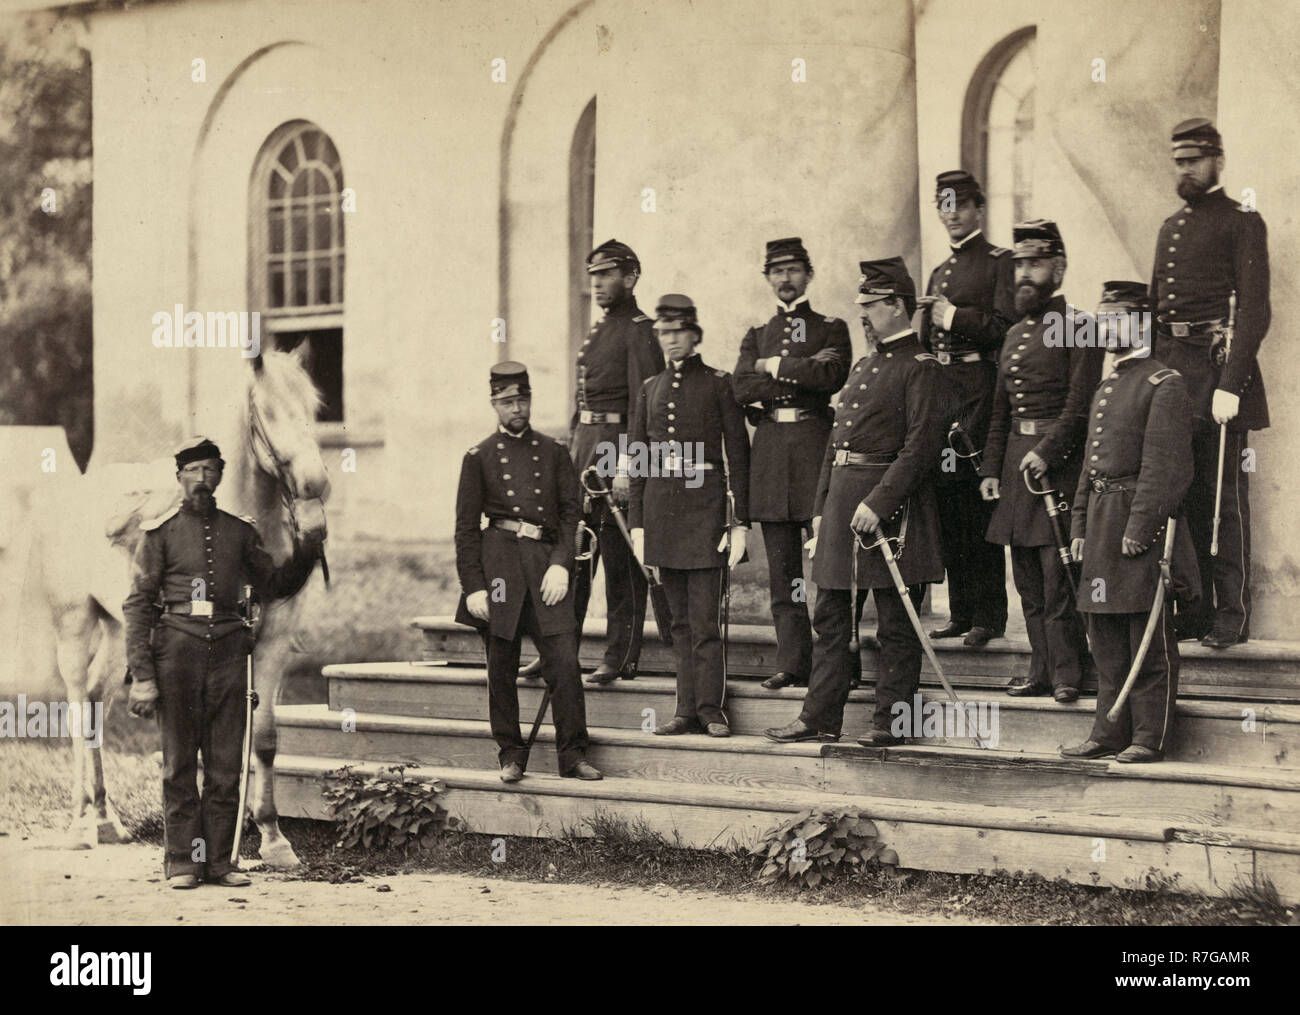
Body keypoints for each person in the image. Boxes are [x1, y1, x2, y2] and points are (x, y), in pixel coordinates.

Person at [764, 258, 946, 746]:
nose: (862, 313)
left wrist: (880, 502)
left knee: (894, 623)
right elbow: (836, 445)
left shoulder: (921, 368)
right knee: (830, 619)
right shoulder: (866, 365)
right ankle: (819, 717)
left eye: (871, 305)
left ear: (897, 306)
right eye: (861, 305)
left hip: (891, 514)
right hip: (845, 509)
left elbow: (922, 447)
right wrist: (823, 509)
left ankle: (892, 722)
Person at [124, 436, 320, 889]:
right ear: (179, 478)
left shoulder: (239, 531)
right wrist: (142, 676)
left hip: (231, 653)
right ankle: (182, 863)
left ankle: (220, 862)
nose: (202, 479)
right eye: (193, 471)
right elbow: (137, 605)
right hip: (176, 652)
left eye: (210, 470)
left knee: (226, 763)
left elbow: (273, 584)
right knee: (178, 764)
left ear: (220, 476)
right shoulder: (159, 534)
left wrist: (307, 548)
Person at [1062, 283, 1196, 763]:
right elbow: (1088, 467)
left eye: (1116, 317)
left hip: (1139, 527)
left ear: (1142, 322)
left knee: (1147, 636)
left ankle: (1148, 736)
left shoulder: (1165, 384)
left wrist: (1140, 530)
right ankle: (1107, 731)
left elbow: (1167, 471)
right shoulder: (1107, 384)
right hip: (1100, 525)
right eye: (1102, 318)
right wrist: (1079, 526)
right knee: (1105, 637)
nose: (1105, 328)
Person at [1149, 118, 1270, 649]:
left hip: (1218, 371)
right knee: (1182, 493)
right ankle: (1194, 609)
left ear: (1217, 160)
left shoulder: (1243, 222)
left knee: (1224, 499)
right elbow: (1156, 312)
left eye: (1194, 160)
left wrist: (1232, 383)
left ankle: (1231, 614)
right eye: (1179, 161)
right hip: (1174, 371)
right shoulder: (1170, 227)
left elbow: (1256, 311)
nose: (1186, 170)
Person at [520, 239, 664, 683]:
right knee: (574, 558)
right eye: (594, 275)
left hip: (618, 456)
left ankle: (620, 657)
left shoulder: (640, 330)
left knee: (620, 561)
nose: (598, 283)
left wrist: (629, 467)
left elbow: (647, 405)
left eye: (607, 274)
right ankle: (559, 649)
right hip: (585, 454)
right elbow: (583, 404)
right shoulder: (601, 330)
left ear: (631, 277)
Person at [453, 362, 602, 784]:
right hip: (498, 566)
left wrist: (561, 564)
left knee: (565, 663)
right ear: (494, 405)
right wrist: (474, 588)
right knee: (501, 666)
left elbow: (571, 515)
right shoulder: (478, 457)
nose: (517, 408)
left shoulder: (555, 452)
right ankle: (510, 755)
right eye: (507, 402)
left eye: (522, 400)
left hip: (544, 566)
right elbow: (465, 530)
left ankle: (573, 755)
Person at [980, 220, 1101, 702]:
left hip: (1060, 467)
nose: (1024, 274)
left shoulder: (1079, 326)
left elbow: (1080, 406)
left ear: (1059, 267)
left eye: (1035, 264)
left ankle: (1070, 672)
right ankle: (1041, 669)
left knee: (1058, 580)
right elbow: (999, 410)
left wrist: (1047, 453)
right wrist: (991, 468)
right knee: (1027, 580)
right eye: (1019, 265)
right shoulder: (1012, 336)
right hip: (1015, 466)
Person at [732, 237, 851, 690]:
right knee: (784, 574)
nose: (785, 278)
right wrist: (795, 370)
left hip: (816, 451)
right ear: (768, 278)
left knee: (828, 569)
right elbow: (742, 388)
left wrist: (773, 365)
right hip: (772, 457)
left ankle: (835, 663)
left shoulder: (830, 328)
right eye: (776, 271)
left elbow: (831, 375)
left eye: (793, 269)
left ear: (809, 274)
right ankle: (792, 662)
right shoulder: (755, 334)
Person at [629, 295, 750, 737]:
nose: (671, 340)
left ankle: (711, 708)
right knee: (677, 621)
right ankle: (684, 708)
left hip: (706, 513)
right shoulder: (649, 388)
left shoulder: (718, 383)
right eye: (663, 332)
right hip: (663, 513)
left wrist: (740, 523)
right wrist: (638, 524)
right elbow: (639, 460)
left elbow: (738, 454)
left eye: (678, 331)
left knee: (705, 620)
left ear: (695, 334)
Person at [918, 170, 1016, 648]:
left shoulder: (1000, 262)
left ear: (979, 209)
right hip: (942, 392)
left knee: (979, 505)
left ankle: (989, 615)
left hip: (979, 390)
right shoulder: (939, 272)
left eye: (959, 203)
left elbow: (1005, 326)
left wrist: (952, 316)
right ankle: (960, 611)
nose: (951, 212)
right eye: (943, 204)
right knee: (948, 505)